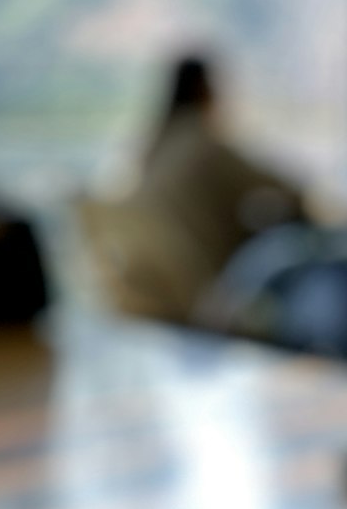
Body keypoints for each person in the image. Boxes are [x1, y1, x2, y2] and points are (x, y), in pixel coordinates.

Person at [86, 53, 308, 325]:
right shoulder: (205, 144)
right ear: (205, 90)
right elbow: (285, 188)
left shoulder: (152, 147)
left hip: (156, 288)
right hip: (199, 286)